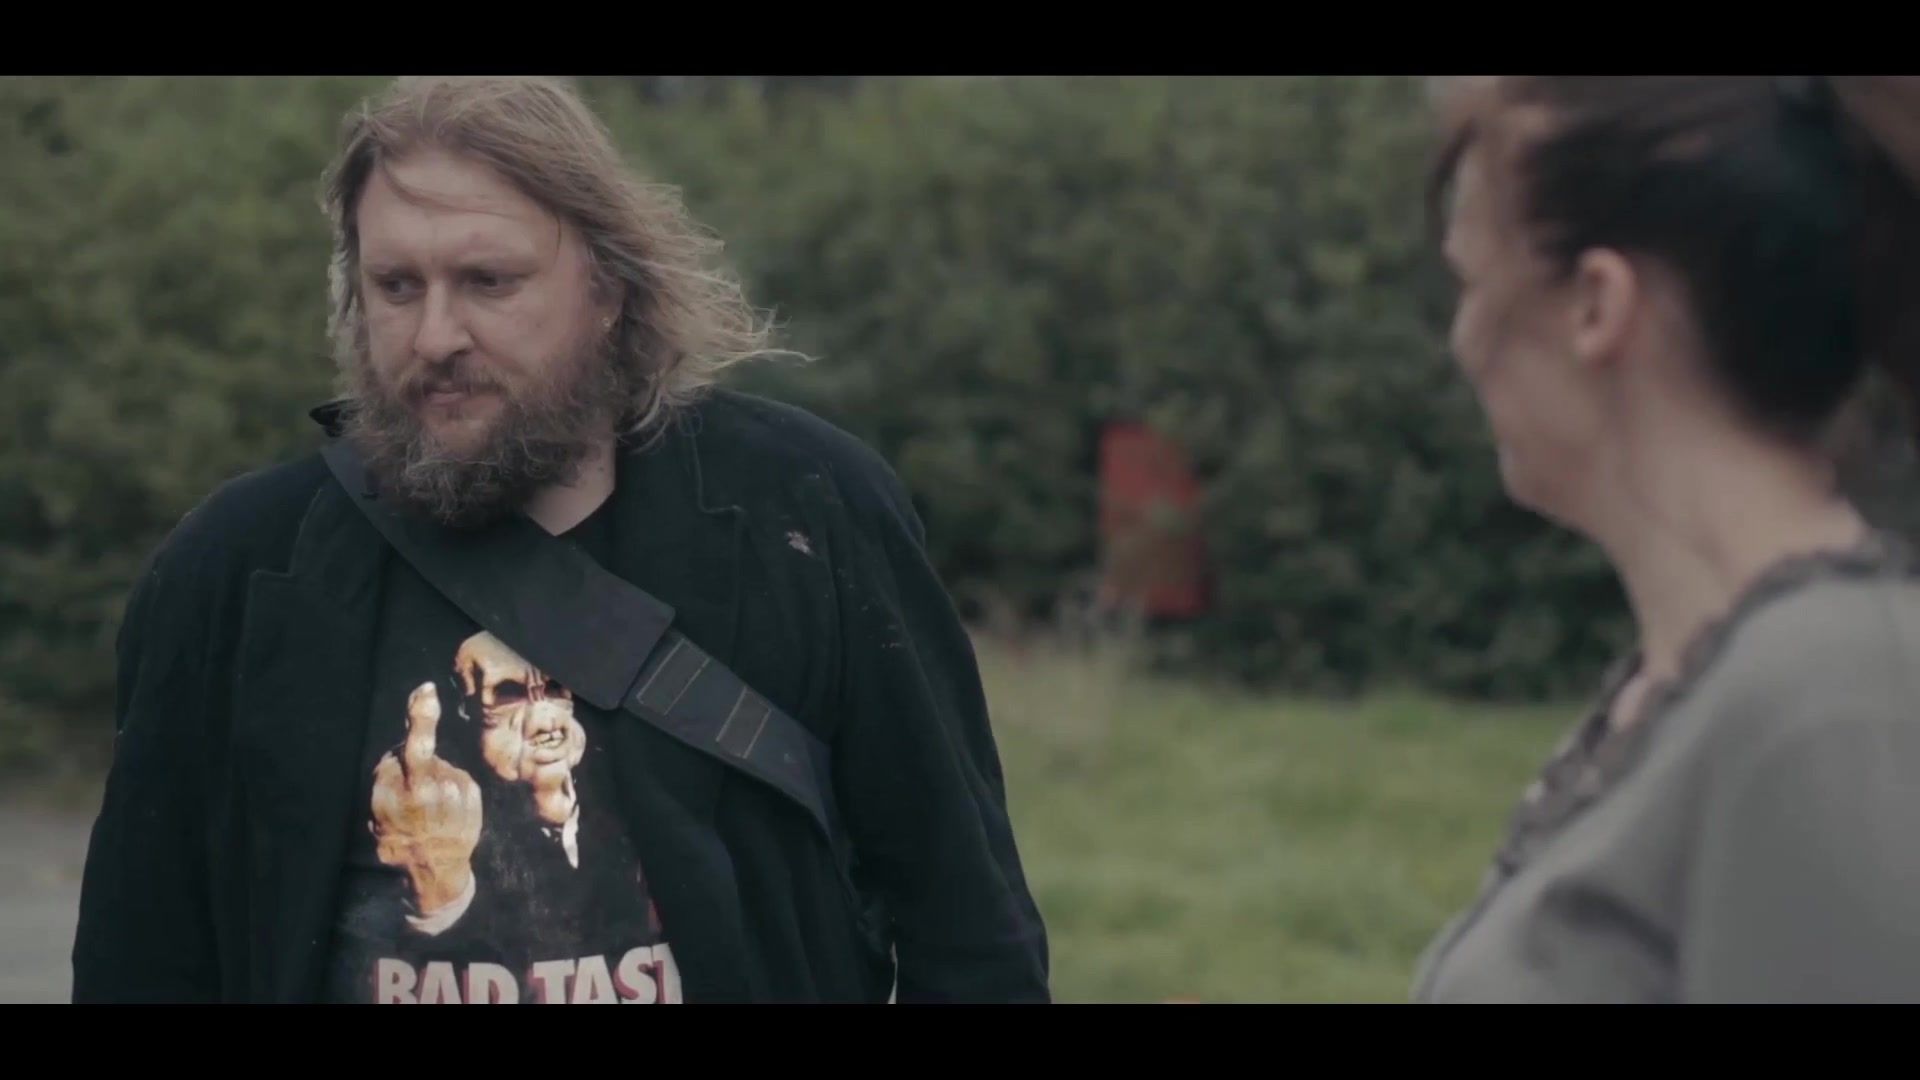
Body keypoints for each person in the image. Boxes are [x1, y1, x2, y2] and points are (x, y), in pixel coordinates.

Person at [69, 75, 1050, 1004]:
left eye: (488, 281)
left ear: (608, 289)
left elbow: (968, 928)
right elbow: (143, 960)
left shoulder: (804, 515)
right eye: (397, 286)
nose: (435, 336)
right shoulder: (233, 572)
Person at [1412, 76, 1920, 1003]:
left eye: (1474, 284)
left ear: (1597, 305)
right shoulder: (1691, 688)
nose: (1464, 341)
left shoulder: (1830, 702)